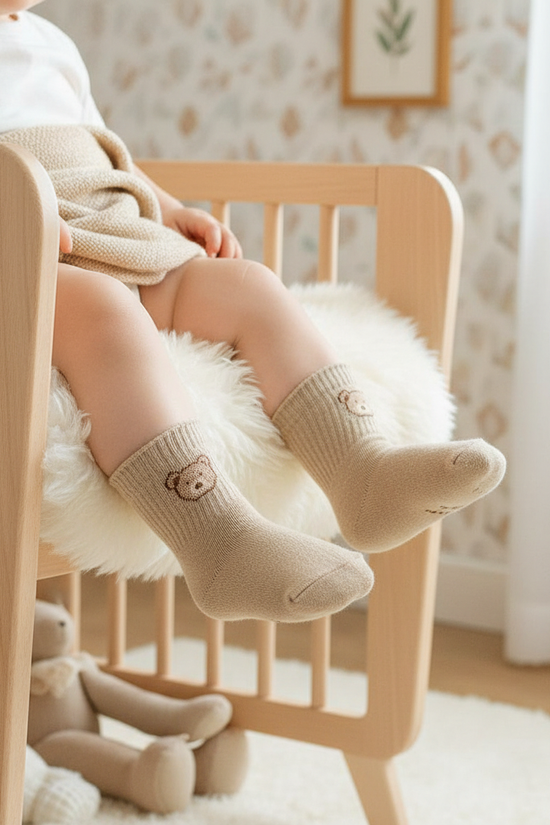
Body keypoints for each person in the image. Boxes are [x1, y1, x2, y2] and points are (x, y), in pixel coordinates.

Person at [0, 2, 506, 623]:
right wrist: (15, 222)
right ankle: (219, 544)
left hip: (120, 233)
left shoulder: (51, 44)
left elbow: (110, 157)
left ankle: (363, 472)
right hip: (29, 263)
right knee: (105, 310)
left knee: (246, 284)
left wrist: (169, 204)